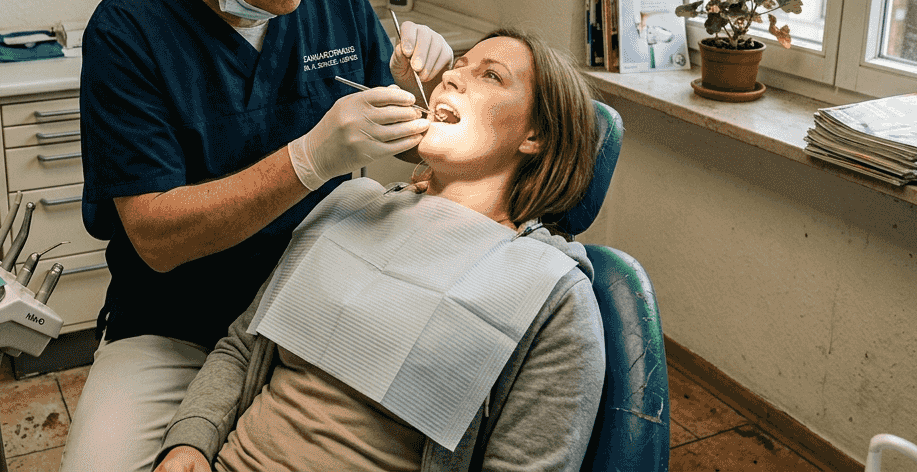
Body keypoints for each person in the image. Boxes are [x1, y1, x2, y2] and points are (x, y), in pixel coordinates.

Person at [63, 0, 457, 472]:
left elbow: (413, 148)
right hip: (177, 327)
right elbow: (156, 241)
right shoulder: (127, 34)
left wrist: (424, 93)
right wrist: (309, 161)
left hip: (322, 309)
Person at [153, 28, 607, 472]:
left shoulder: (550, 293)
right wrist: (189, 444)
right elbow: (242, 348)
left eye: (491, 76)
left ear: (534, 135)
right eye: (458, 65)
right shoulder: (352, 206)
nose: (450, 77)